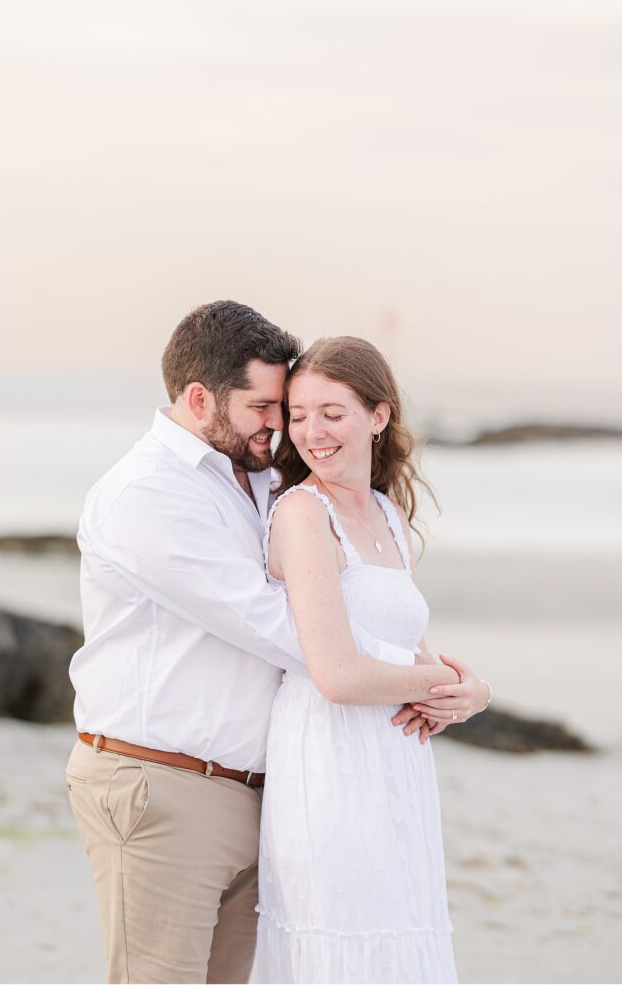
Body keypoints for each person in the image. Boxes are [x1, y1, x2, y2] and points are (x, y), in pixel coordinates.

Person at [65, 301, 475, 985]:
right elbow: (283, 627)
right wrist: (435, 679)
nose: (279, 427)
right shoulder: (147, 494)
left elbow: (342, 600)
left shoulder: (254, 476)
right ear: (200, 398)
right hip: (162, 782)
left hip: (260, 788)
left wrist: (424, 672)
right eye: (264, 406)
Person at [255, 336, 491, 984]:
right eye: (297, 416)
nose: (311, 432)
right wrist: (439, 680)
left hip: (396, 766)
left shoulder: (387, 512)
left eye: (332, 413)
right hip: (328, 761)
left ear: (378, 416)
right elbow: (335, 674)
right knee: (341, 950)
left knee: (399, 942)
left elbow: (408, 650)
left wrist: (471, 693)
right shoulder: (302, 515)